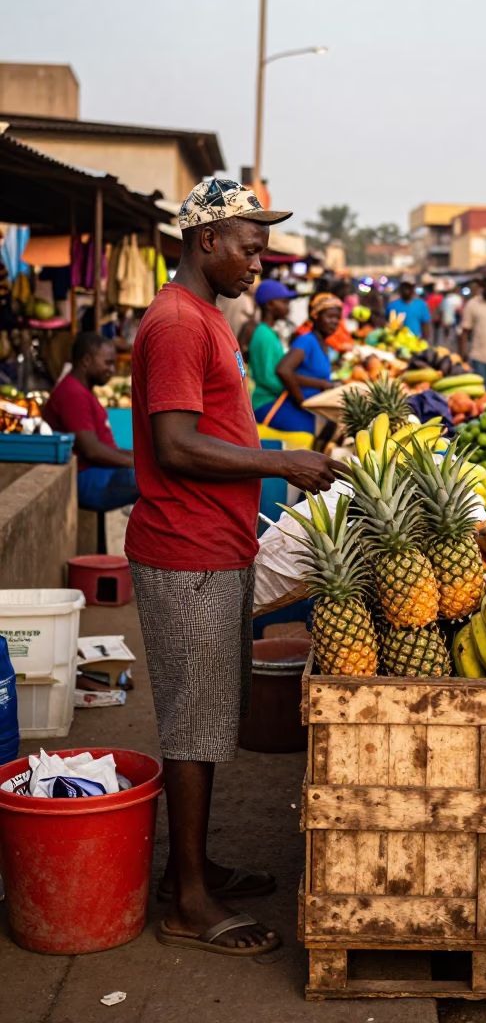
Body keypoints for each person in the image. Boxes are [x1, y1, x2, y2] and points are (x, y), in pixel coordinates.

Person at [125, 178, 336, 957]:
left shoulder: (206, 315)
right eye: (250, 246)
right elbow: (177, 443)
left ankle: (195, 866)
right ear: (206, 239)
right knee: (192, 726)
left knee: (210, 718)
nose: (260, 260)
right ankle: (186, 901)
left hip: (215, 546)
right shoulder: (179, 322)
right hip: (185, 552)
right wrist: (280, 461)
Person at [43, 332, 138, 512]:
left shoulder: (81, 390)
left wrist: (138, 457)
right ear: (86, 361)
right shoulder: (73, 394)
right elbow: (92, 450)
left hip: (98, 472)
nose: (112, 370)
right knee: (146, 479)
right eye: (108, 363)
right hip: (86, 477)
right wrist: (137, 463)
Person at [267, 292, 342, 435]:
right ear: (315, 316)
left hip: (315, 407)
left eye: (337, 318)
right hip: (301, 409)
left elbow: (307, 374)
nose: (334, 322)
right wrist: (301, 402)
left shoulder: (322, 343)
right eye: (330, 317)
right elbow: (283, 370)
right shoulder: (307, 341)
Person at [247, 280, 295, 421]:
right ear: (269, 305)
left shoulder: (267, 332)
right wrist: (294, 391)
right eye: (284, 302)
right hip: (266, 403)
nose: (288, 307)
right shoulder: (264, 335)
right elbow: (267, 378)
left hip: (273, 400)